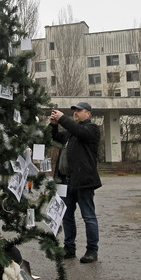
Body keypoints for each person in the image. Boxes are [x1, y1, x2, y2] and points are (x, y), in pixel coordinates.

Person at [50, 102, 102, 264]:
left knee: (88, 216)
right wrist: (53, 125)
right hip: (65, 181)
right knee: (66, 216)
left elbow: (79, 131)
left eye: (79, 110)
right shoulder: (69, 134)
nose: (76, 113)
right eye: (74, 111)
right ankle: (69, 248)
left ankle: (92, 250)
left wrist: (62, 118)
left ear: (88, 114)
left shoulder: (91, 129)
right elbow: (54, 138)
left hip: (83, 181)